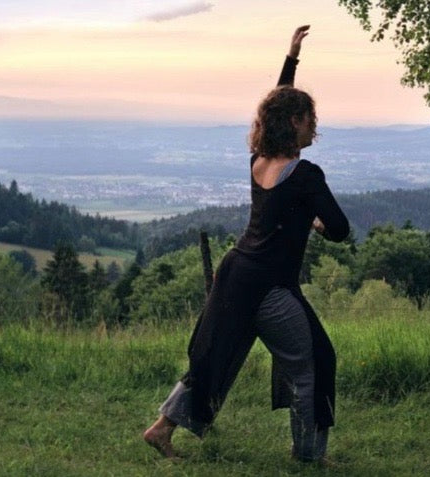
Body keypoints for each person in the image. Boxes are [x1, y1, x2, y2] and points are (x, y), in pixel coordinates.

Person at [143, 25, 350, 463]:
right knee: (313, 360)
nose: (316, 125)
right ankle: (309, 454)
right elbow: (340, 228)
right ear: (295, 122)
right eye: (310, 117)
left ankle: (162, 429)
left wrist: (291, 60)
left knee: (218, 356)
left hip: (235, 274)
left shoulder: (259, 161)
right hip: (270, 288)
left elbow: (277, 105)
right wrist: (317, 226)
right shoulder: (305, 175)